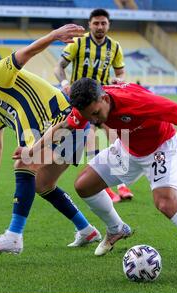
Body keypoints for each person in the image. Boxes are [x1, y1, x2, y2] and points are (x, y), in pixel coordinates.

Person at [24, 78, 177, 284]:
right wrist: (33, 150)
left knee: (166, 203)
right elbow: (64, 126)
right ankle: (116, 229)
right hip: (127, 149)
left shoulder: (138, 102)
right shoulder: (89, 106)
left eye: (96, 114)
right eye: (90, 117)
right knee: (84, 185)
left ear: (104, 98)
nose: (95, 121)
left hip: (160, 149)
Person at [0, 24, 101, 254]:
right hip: (55, 134)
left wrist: (54, 35)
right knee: (42, 184)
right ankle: (87, 230)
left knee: (24, 163)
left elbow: (27, 52)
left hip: (65, 120)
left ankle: (14, 236)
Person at [54, 8, 133, 203]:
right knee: (92, 140)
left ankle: (122, 184)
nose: (99, 26)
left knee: (117, 140)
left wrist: (118, 79)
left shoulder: (115, 47)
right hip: (82, 103)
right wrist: (65, 84)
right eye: (96, 23)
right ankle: (104, 188)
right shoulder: (78, 43)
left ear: (108, 25)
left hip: (104, 100)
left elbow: (121, 72)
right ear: (89, 24)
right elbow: (59, 67)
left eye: (103, 23)